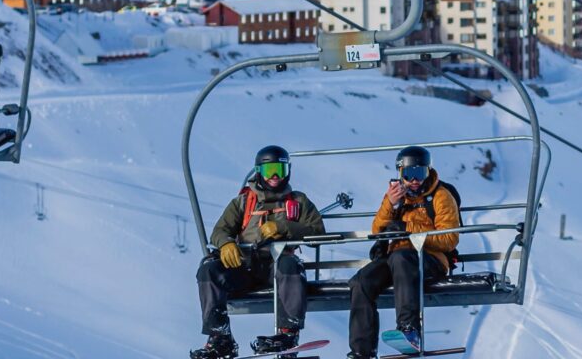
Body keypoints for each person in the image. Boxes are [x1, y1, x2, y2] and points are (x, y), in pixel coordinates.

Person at [191, 146, 326, 359]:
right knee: (209, 269)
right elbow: (220, 231)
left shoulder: (298, 201)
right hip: (244, 267)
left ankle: (287, 333)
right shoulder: (244, 201)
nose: (274, 176)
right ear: (258, 171)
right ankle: (220, 337)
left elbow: (318, 231)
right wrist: (226, 243)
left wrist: (285, 229)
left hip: (278, 269)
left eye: (280, 170)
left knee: (290, 264)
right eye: (269, 169)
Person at [346, 146, 460, 359]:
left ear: (428, 172)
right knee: (361, 281)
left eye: (420, 174)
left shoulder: (441, 196)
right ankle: (362, 349)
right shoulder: (396, 196)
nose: (414, 181)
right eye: (409, 175)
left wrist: (408, 232)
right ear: (400, 173)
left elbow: (449, 238)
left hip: (431, 259)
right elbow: (376, 230)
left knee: (401, 259)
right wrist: (390, 205)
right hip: (397, 259)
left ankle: (409, 329)